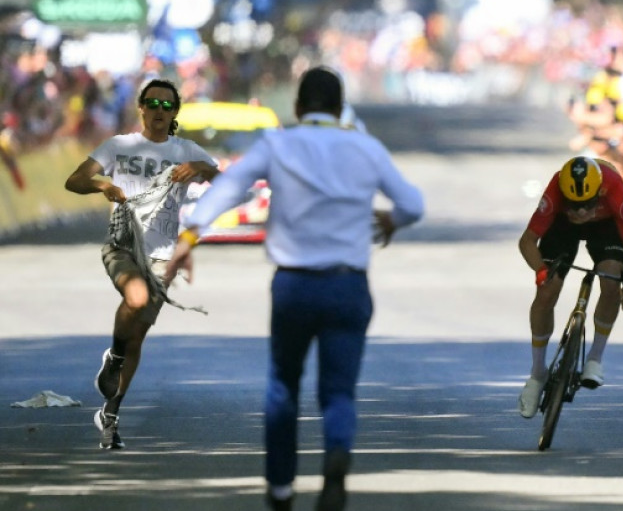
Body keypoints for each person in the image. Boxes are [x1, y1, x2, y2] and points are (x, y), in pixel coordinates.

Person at [163, 66, 424, 511]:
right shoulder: (365, 147)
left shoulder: (278, 144)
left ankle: (281, 489)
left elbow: (229, 188)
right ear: (341, 108)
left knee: (283, 386)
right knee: (339, 390)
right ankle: (337, 453)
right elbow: (412, 204)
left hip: (294, 287)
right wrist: (389, 221)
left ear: (298, 107)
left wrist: (188, 237)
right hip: (348, 287)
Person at [64, 78, 219, 449]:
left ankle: (110, 415)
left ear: (175, 112)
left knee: (137, 337)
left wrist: (199, 166)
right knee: (134, 299)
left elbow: (228, 184)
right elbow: (75, 180)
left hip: (162, 259)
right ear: (141, 108)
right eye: (153, 104)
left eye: (168, 106)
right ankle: (114, 356)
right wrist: (102, 185)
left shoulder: (186, 150)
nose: (159, 112)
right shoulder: (120, 146)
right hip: (122, 246)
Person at [517, 156, 623, 418]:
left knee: (611, 281)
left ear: (599, 193)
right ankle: (537, 374)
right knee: (547, 291)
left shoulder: (614, 190)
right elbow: (527, 242)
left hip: (606, 226)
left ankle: (595, 359)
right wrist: (541, 272)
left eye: (586, 206)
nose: (580, 213)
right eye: (573, 206)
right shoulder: (556, 190)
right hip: (561, 228)